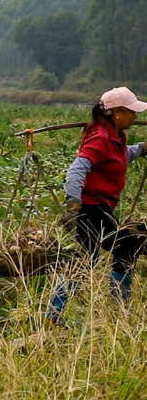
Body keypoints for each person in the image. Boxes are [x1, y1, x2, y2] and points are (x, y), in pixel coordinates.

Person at [47, 87, 147, 321]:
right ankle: (118, 309)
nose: (135, 116)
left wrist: (141, 149)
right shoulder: (100, 137)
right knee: (122, 247)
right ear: (118, 112)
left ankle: (55, 313)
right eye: (132, 112)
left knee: (88, 258)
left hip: (101, 208)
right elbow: (77, 170)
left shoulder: (115, 137)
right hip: (91, 208)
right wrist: (74, 206)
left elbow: (119, 157)